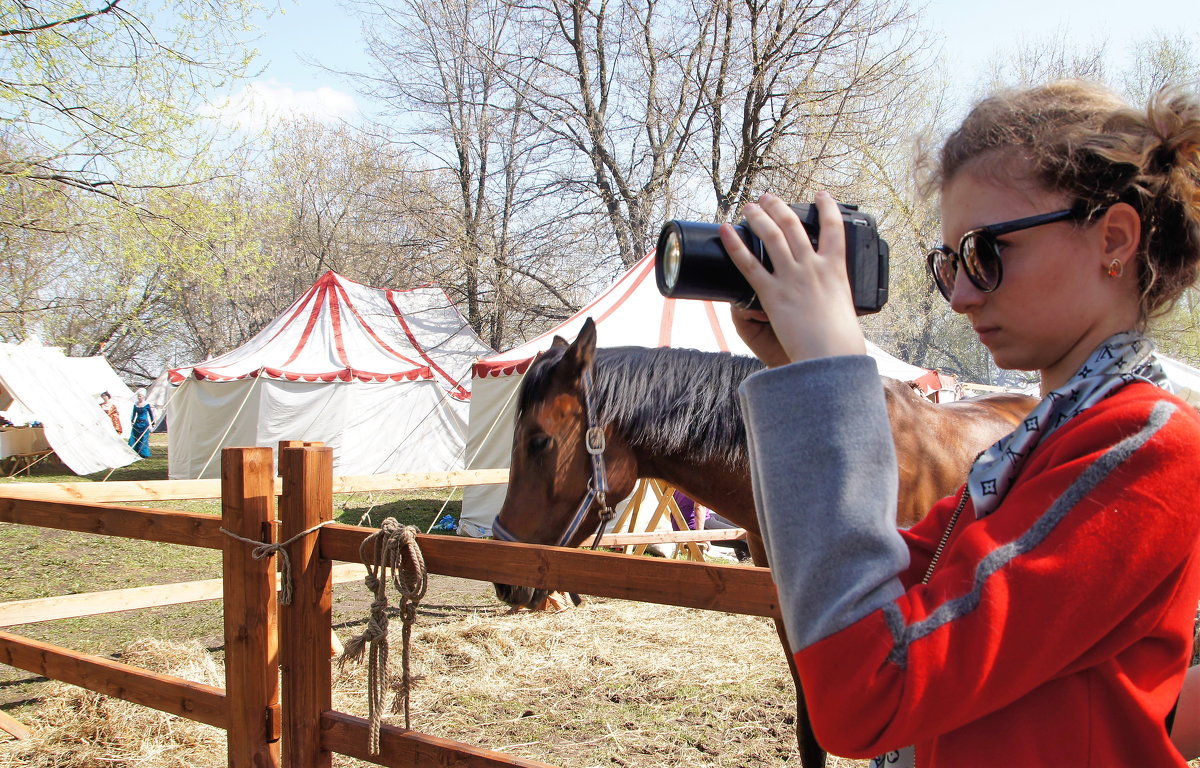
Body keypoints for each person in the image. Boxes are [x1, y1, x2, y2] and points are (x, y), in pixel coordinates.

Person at [723, 80, 1200, 766]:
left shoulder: (1148, 444)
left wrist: (829, 379)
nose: (962, 296)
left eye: (987, 252)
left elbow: (869, 687)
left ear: (1114, 239)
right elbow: (858, 609)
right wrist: (802, 372)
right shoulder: (1033, 452)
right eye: (949, 264)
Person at [127, 388, 155, 459]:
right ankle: (134, 451)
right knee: (135, 437)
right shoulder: (135, 405)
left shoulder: (146, 405)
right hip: (137, 423)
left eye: (140, 396)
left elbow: (151, 414)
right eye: (138, 396)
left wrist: (153, 422)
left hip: (144, 424)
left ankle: (143, 453)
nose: (139, 397)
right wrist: (132, 421)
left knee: (143, 438)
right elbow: (133, 413)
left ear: (143, 396)